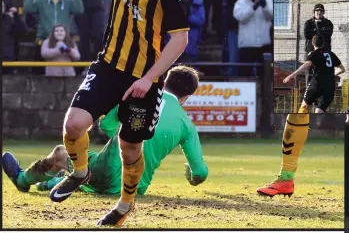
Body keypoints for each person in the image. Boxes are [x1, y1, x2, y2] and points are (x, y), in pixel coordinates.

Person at [49, 0, 189, 226]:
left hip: (145, 79)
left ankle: (124, 206)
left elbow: (179, 42)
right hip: (110, 64)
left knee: (129, 148)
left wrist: (148, 79)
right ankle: (79, 173)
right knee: (74, 125)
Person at [2, 66, 208, 202]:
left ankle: (22, 180)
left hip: (106, 171)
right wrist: (190, 173)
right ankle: (51, 183)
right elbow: (201, 173)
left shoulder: (138, 96)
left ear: (162, 83)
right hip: (136, 187)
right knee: (92, 175)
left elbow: (106, 126)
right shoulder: (186, 125)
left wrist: (122, 133)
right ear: (186, 98)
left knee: (61, 153)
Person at [257, 35, 345, 197]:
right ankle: (286, 178)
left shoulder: (314, 54)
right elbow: (342, 69)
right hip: (329, 86)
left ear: (312, 44)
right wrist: (332, 75)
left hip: (316, 83)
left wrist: (291, 76)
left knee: (301, 111)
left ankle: (286, 178)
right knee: (317, 112)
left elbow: (306, 65)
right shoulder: (331, 54)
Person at [233, 0, 273, 77]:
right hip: (247, 45)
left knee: (265, 75)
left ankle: (263, 92)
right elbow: (241, 17)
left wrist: (264, 6)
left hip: (264, 44)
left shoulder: (268, 0)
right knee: (244, 74)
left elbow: (272, 16)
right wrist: (254, 7)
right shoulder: (240, 2)